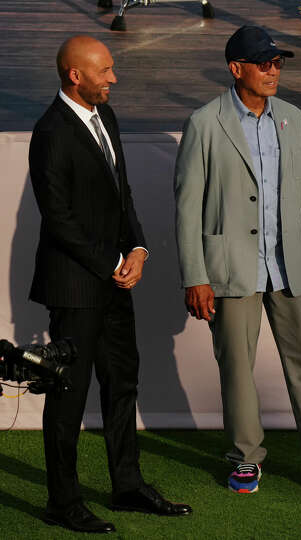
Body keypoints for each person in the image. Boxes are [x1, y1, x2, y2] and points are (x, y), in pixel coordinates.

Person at [173, 25, 301, 497]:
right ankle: (245, 458)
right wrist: (195, 274)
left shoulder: (293, 118)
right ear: (237, 69)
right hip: (230, 268)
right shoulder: (204, 123)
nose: (273, 70)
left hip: (290, 265)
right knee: (237, 365)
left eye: (277, 63)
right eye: (264, 63)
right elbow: (188, 206)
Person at [29, 35, 191, 533]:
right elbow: (57, 218)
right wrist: (113, 262)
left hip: (116, 282)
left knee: (122, 385)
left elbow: (123, 197)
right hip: (77, 288)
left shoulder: (106, 117)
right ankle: (63, 501)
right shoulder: (50, 132)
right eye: (104, 70)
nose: (113, 78)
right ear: (75, 75)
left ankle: (126, 486)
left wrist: (138, 250)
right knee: (68, 398)